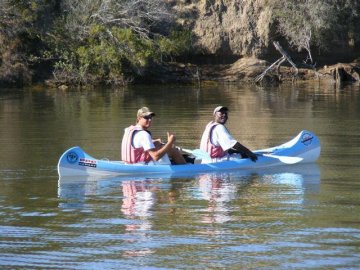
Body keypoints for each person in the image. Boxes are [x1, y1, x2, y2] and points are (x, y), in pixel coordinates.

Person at [121, 107, 186, 165]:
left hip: (128, 163)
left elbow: (138, 144)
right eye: (146, 117)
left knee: (161, 145)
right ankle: (186, 168)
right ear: (139, 118)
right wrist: (170, 143)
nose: (150, 120)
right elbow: (155, 157)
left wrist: (155, 142)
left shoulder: (128, 129)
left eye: (150, 117)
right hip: (142, 165)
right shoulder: (144, 134)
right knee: (172, 149)